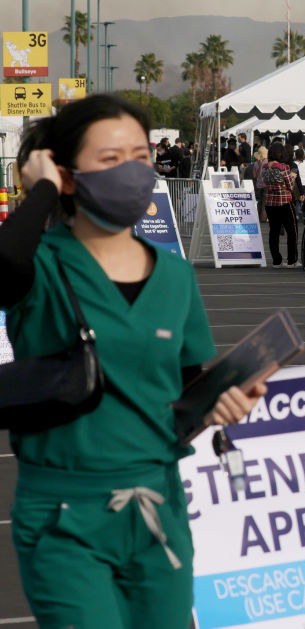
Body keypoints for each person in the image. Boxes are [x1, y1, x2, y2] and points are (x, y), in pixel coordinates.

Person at [0, 94, 266, 628]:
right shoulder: (42, 266)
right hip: (64, 514)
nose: (133, 172)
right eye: (110, 158)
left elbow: (187, 391)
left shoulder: (175, 276)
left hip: (159, 507)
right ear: (68, 175)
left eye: (142, 156)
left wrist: (225, 399)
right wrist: (41, 189)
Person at [262, 142, 299, 268]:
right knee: (292, 231)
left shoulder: (265, 167)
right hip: (284, 201)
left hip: (270, 203)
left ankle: (276, 260)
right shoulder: (284, 167)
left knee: (274, 232)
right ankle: (292, 260)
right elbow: (291, 186)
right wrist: (293, 177)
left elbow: (262, 184)